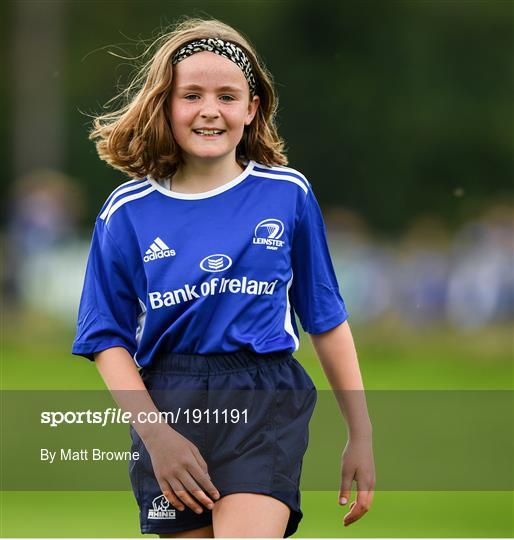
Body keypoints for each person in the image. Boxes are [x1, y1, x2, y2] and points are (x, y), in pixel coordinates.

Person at [72, 17, 375, 538]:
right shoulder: (126, 212)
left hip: (264, 397)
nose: (209, 110)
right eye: (191, 95)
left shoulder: (288, 195)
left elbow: (325, 319)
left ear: (251, 108)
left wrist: (361, 433)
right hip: (167, 399)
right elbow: (106, 339)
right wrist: (157, 437)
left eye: (227, 96)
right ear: (165, 104)